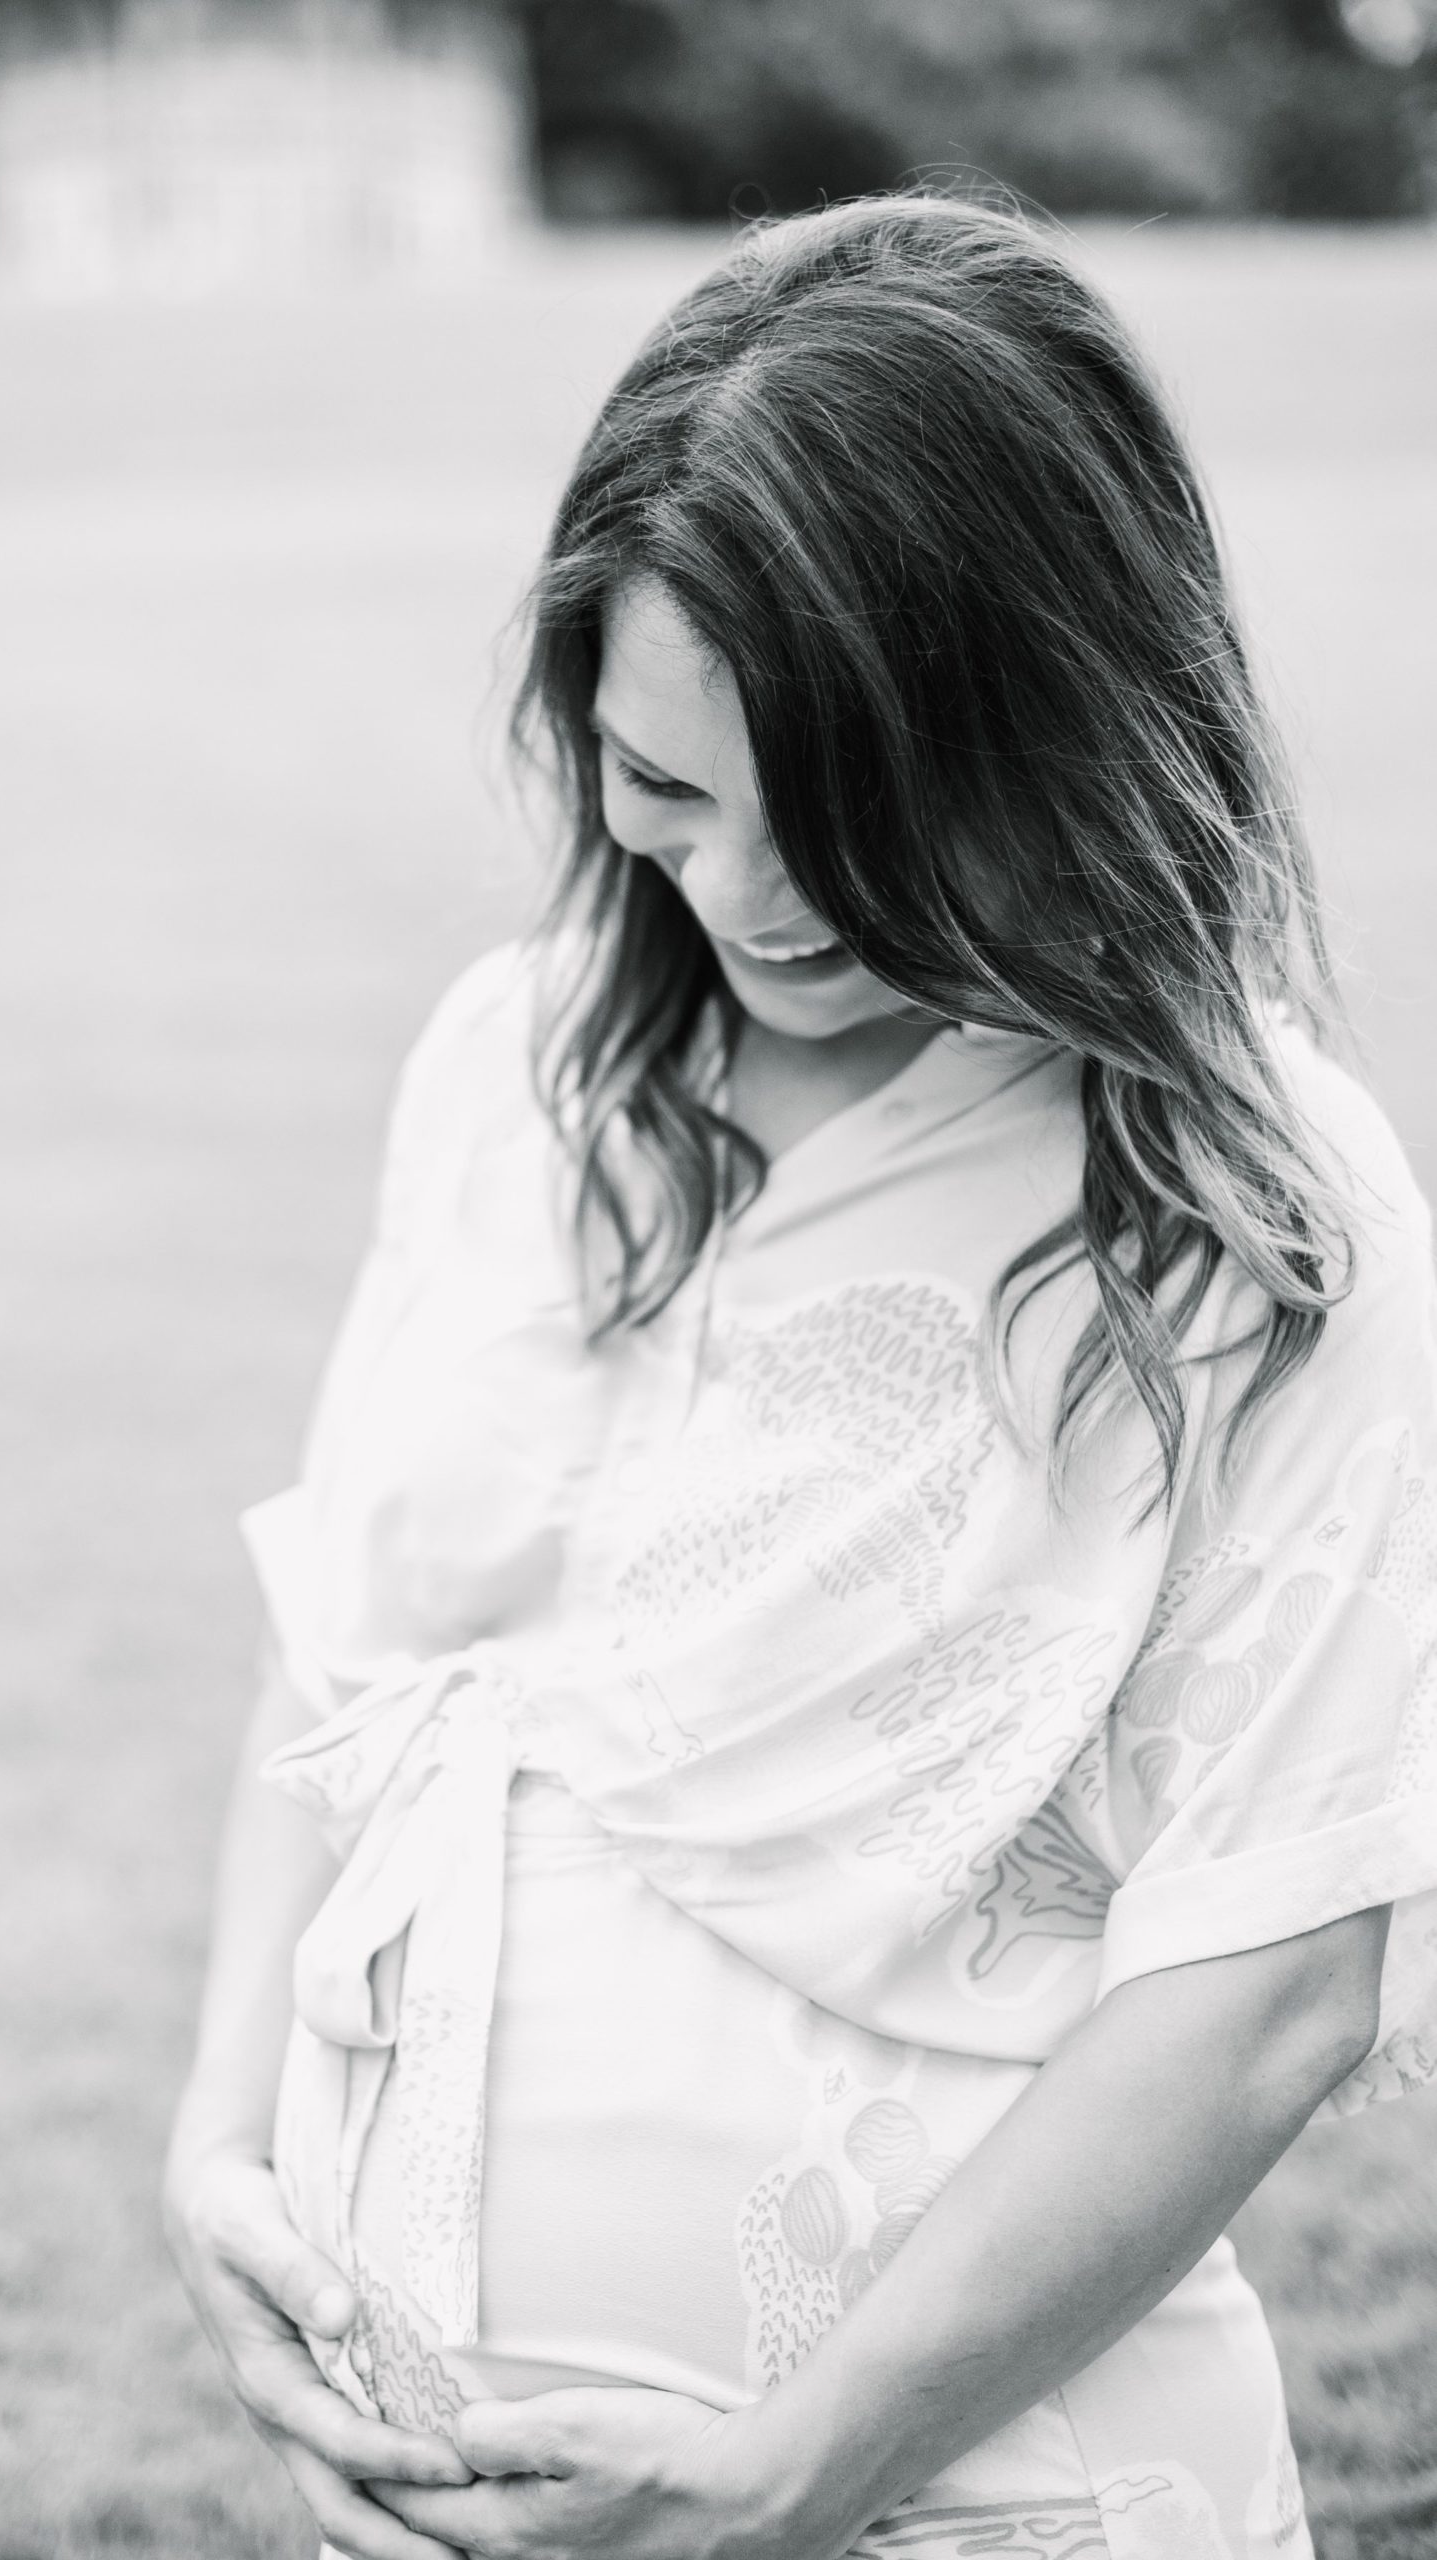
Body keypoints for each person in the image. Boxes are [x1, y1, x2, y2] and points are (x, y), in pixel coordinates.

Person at [164, 194, 1437, 2560]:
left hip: (963, 2492)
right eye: (661, 792)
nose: (747, 897)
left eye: (846, 818)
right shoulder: (516, 1059)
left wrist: (798, 2459)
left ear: (1064, 722)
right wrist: (222, 2145)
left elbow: (1268, 1984)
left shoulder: (1264, 1215)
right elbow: (343, 1662)